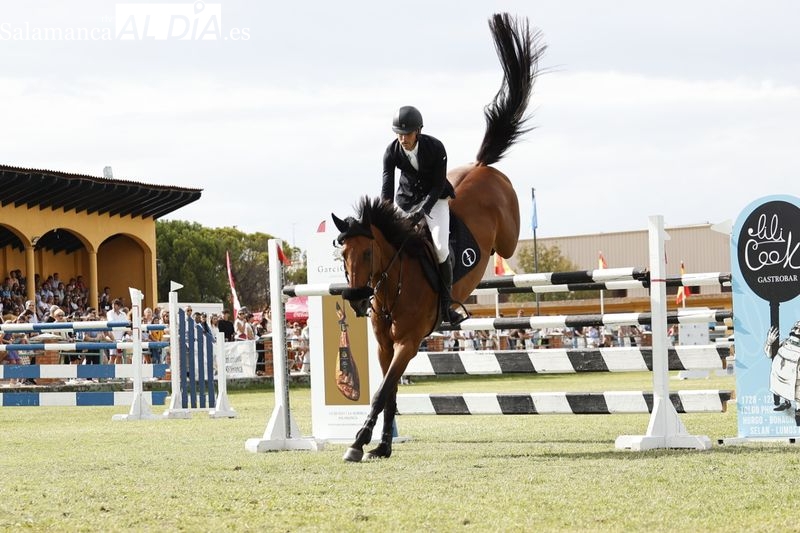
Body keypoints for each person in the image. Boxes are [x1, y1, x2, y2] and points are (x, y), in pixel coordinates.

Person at [381, 105, 463, 326]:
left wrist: (423, 211)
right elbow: (387, 188)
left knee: (440, 248)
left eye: (406, 134)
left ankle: (446, 305)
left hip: (435, 201)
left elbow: (437, 185)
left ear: (418, 131)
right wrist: (384, 215)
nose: (402, 138)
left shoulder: (436, 148)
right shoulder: (391, 151)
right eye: (399, 133)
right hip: (406, 201)